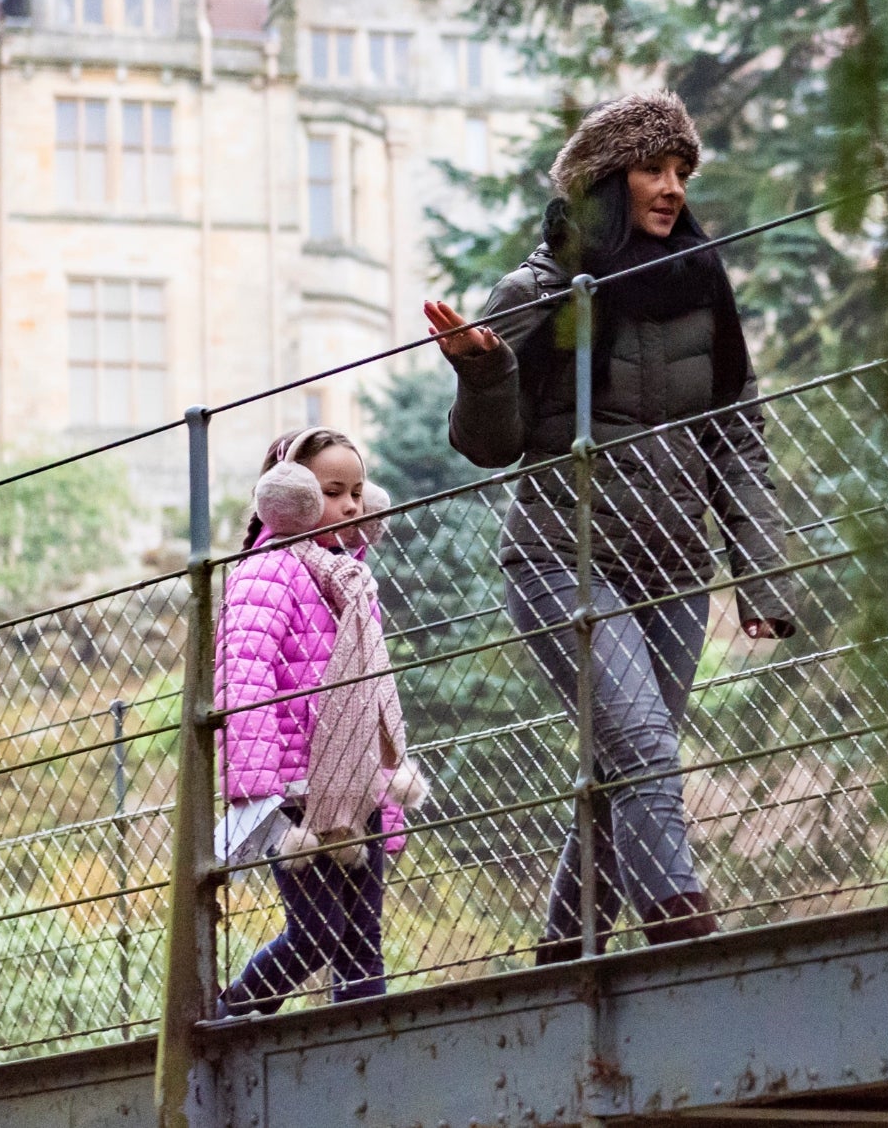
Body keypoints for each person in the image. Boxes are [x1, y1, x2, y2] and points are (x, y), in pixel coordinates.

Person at [423, 91, 797, 960]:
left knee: (619, 768)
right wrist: (481, 376)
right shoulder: (536, 291)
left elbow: (739, 440)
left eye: (680, 172)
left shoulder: (706, 286)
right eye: (651, 169)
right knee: (639, 746)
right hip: (563, 560)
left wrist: (762, 580)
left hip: (673, 571)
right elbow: (489, 448)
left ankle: (565, 953)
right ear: (602, 181)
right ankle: (685, 936)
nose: (671, 188)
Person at [215, 435, 426, 1015]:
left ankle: (365, 1056)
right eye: (333, 493)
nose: (353, 506)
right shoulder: (266, 573)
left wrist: (388, 778)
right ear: (290, 498)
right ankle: (231, 1014)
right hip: (296, 792)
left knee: (363, 943)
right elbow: (244, 681)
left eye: (358, 492)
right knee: (318, 935)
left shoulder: (350, 581)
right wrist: (258, 791)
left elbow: (373, 692)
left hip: (357, 785)